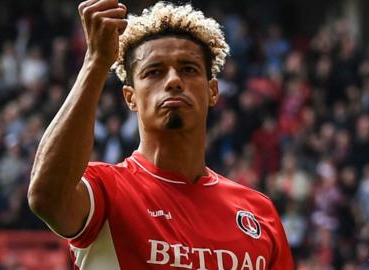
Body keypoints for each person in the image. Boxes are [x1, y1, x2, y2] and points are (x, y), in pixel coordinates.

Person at [27, 0, 294, 269]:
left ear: (212, 91)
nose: (173, 80)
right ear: (130, 98)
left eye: (189, 69)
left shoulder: (259, 214)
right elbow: (46, 197)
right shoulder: (106, 190)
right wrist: (95, 63)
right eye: (154, 72)